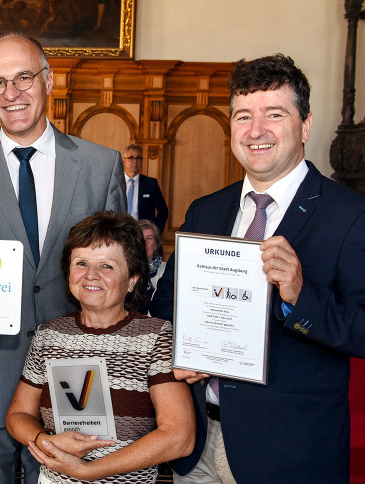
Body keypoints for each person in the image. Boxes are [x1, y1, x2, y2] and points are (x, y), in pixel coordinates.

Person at [150, 54, 365, 483]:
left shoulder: (351, 215)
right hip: (198, 440)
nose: (256, 131)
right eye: (243, 115)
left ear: (305, 125)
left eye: (274, 114)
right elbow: (166, 305)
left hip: (291, 449)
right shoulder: (207, 211)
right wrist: (179, 354)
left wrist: (302, 296)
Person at [0, 33, 125, 483]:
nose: (10, 94)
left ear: (49, 80)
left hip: (77, 381)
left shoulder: (101, 166)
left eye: (23, 78)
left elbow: (121, 268)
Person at [6, 212, 194, 483]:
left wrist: (88, 471)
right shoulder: (49, 335)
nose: (90, 275)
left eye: (106, 266)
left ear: (132, 279)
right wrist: (46, 441)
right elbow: (17, 415)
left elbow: (180, 438)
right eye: (81, 263)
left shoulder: (156, 336)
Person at [122, 144, 168, 232]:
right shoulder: (117, 183)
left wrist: (155, 233)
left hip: (142, 234)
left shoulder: (151, 184)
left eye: (138, 158)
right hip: (119, 233)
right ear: (124, 161)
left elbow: (163, 211)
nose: (135, 161)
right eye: (131, 158)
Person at [137, 219, 165, 313]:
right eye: (141, 237)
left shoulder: (166, 272)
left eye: (149, 238)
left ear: (156, 245)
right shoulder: (124, 272)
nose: (145, 242)